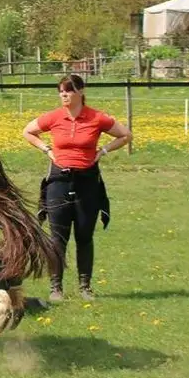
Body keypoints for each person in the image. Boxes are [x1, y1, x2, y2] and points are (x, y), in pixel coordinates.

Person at [22, 73, 132, 302]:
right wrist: (47, 150)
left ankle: (85, 287)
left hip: (87, 182)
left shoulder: (96, 118)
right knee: (57, 237)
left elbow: (125, 135)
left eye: (69, 90)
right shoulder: (53, 117)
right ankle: (56, 288)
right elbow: (28, 131)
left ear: (81, 92)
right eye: (61, 91)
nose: (64, 94)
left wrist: (102, 151)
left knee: (84, 235)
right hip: (58, 182)